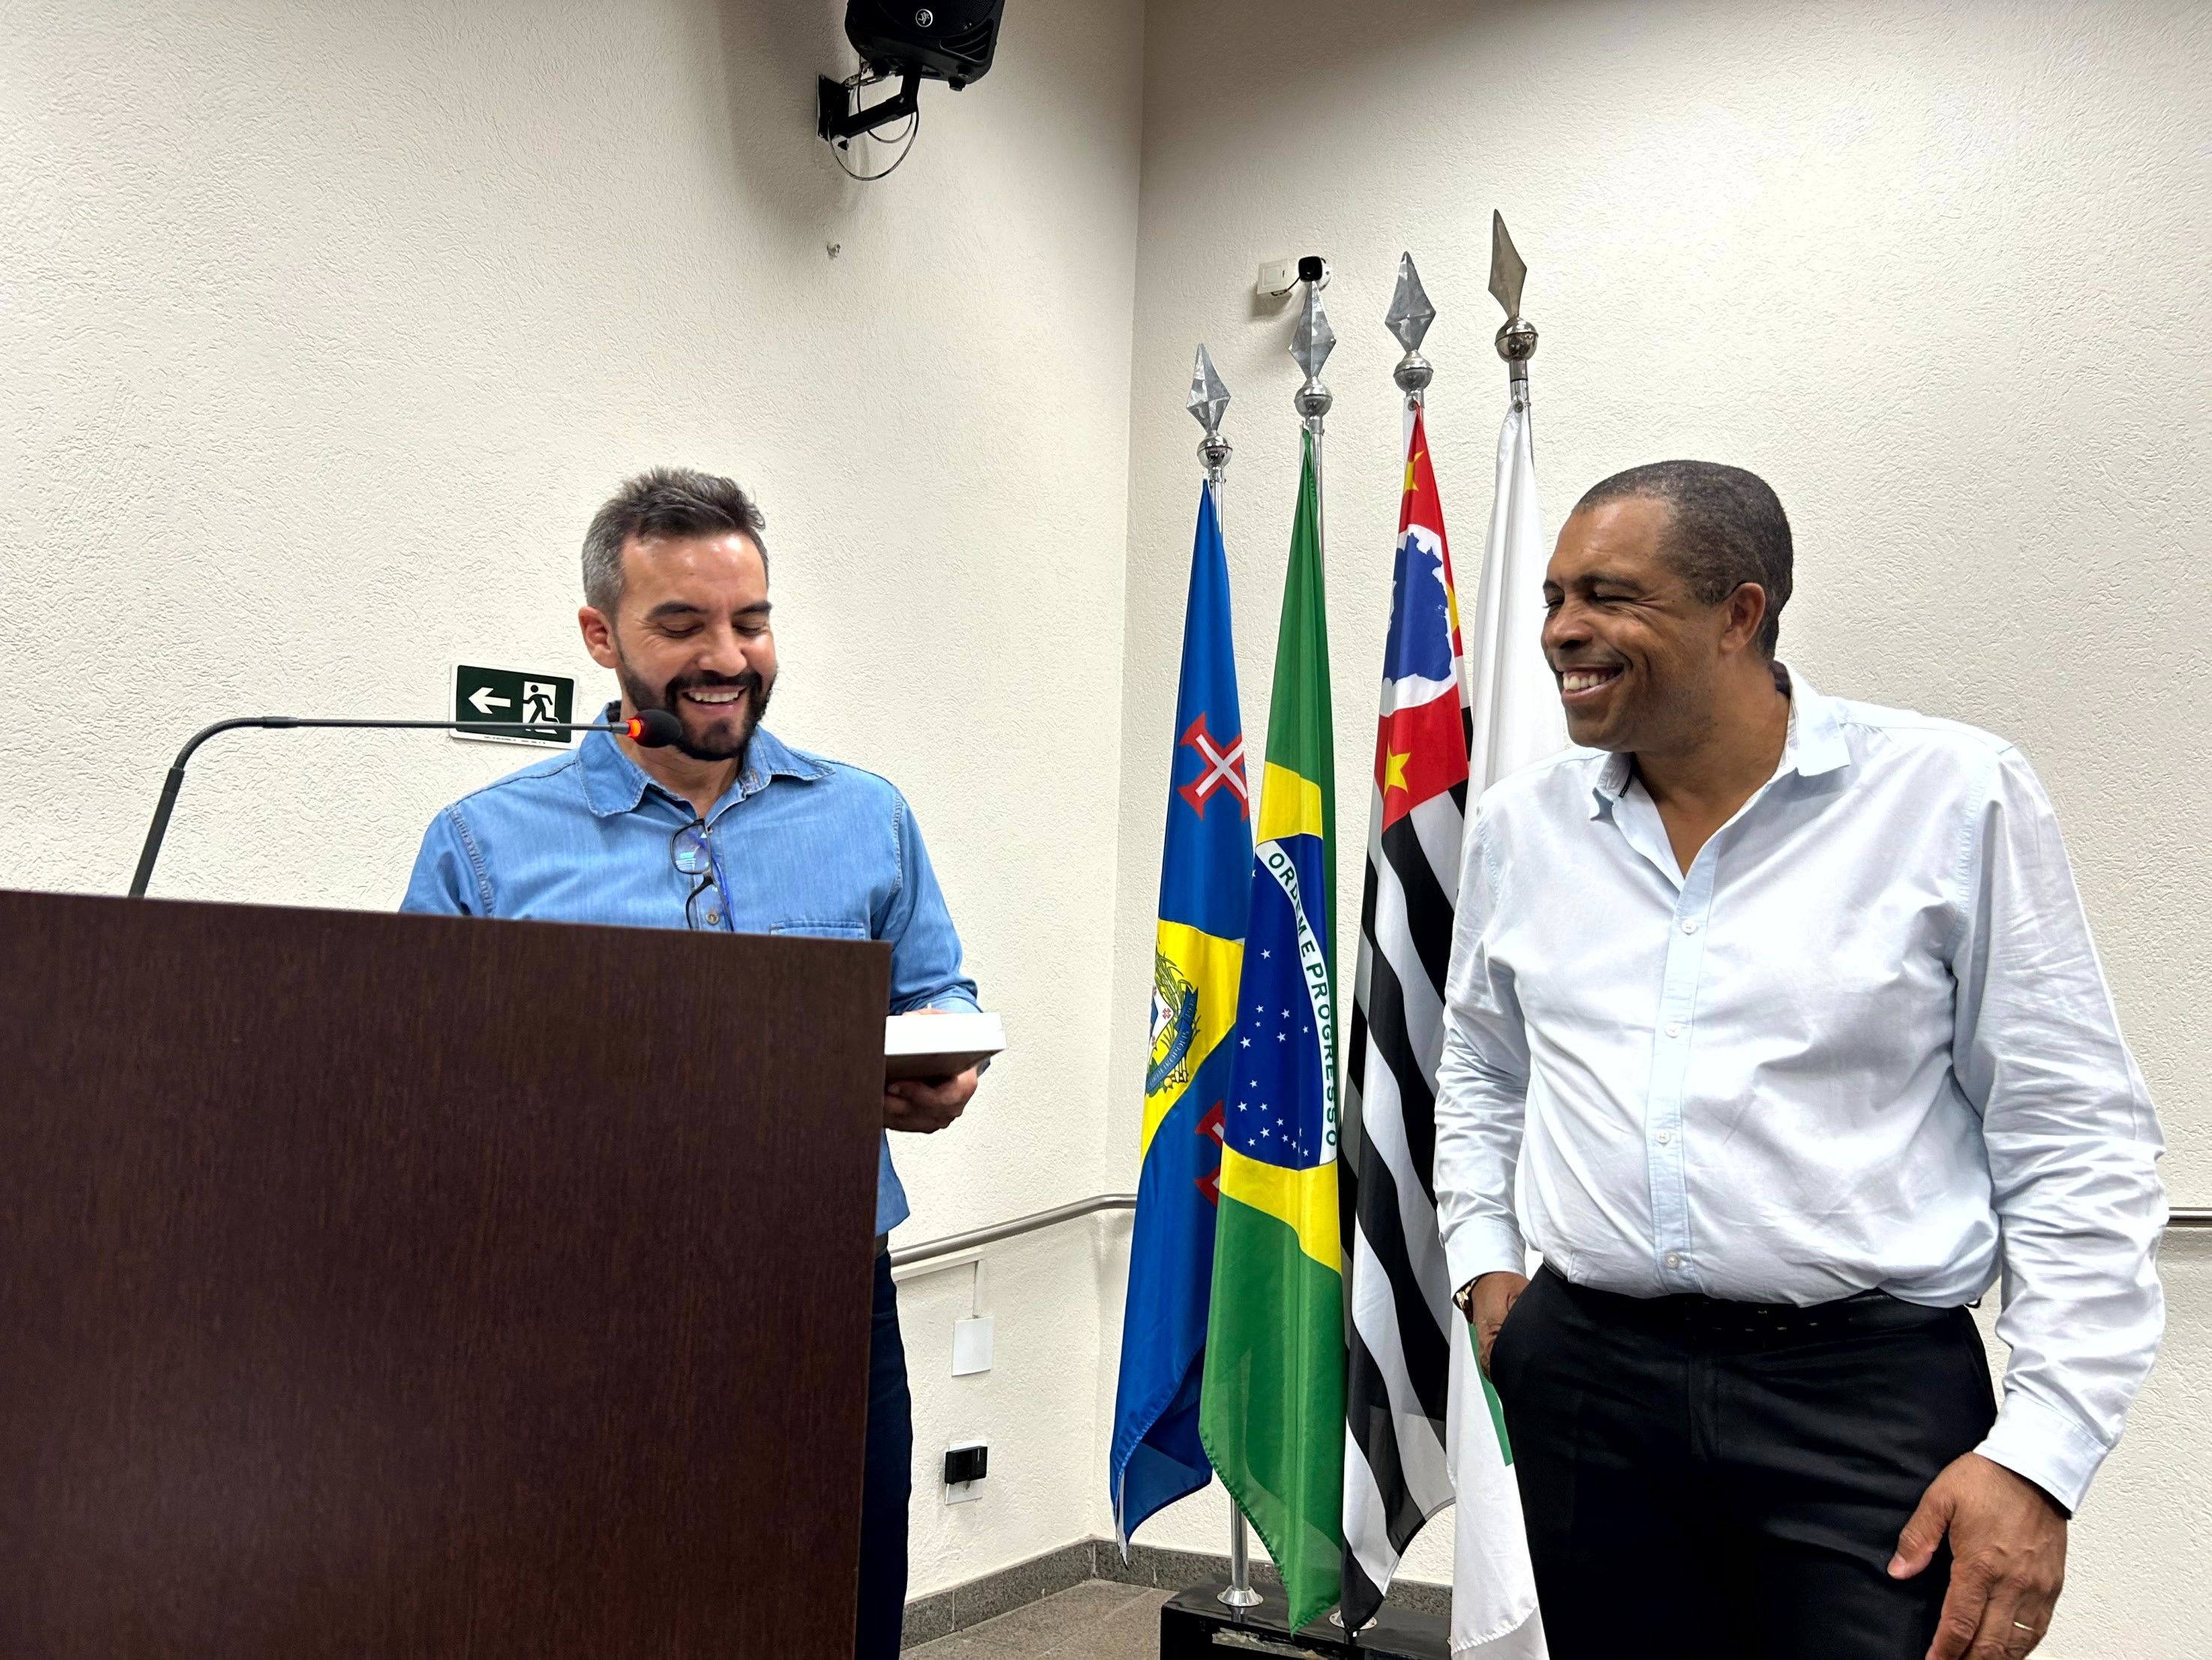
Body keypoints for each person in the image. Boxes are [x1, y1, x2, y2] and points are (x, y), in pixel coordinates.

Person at [1433, 460, 2166, 1660]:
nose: (1562, 628)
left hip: (1860, 1396)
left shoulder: (1950, 796)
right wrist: (1484, 1261)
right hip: (1590, 1385)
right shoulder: (1524, 826)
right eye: (1556, 596)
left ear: (1740, 613)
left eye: (1609, 595)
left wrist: (2043, 1454)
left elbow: (2072, 1132)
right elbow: (1480, 1060)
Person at [401, 466, 980, 1660]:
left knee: (836, 1607)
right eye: (682, 625)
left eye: (750, 621)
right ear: (599, 634)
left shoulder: (866, 817)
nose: (727, 656)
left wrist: (946, 1060)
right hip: (576, 1311)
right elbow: (407, 1082)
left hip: (829, 1299)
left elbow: (940, 990)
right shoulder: (483, 846)